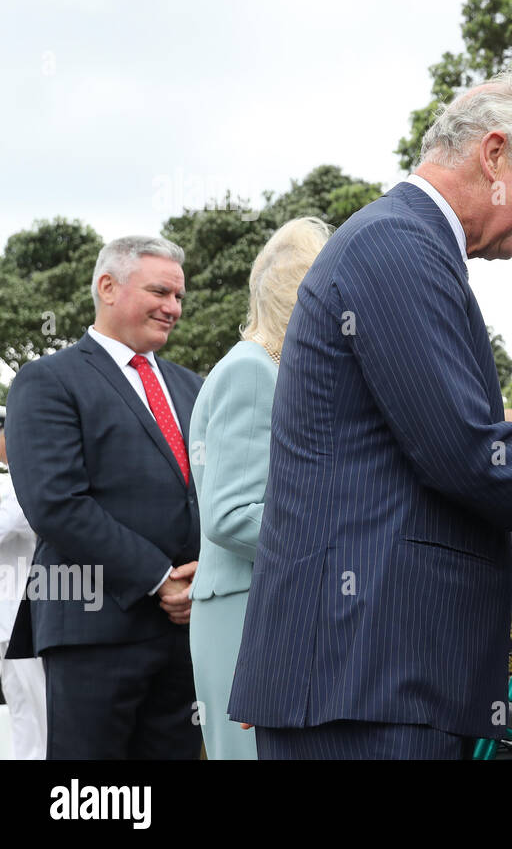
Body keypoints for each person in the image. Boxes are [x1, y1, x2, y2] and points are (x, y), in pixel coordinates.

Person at [227, 68, 512, 759]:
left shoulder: (404, 244)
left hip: (379, 675)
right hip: (371, 677)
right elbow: (463, 452)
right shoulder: (397, 245)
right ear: (492, 155)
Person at [4, 236, 203, 759]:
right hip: (93, 627)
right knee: (93, 800)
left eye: (180, 297)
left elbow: (208, 492)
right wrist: (159, 578)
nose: (173, 308)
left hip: (185, 631)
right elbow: (55, 503)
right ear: (108, 287)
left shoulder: (194, 388)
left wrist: (203, 576)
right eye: (160, 291)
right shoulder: (47, 380)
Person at [188, 217, 331, 760]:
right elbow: (228, 515)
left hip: (260, 605)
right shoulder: (251, 370)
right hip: (243, 612)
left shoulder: (269, 367)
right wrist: (335, 539)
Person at [0, 407, 46, 759]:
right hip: (8, 618)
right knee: (21, 707)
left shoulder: (24, 480)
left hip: (22, 615)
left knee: (37, 709)